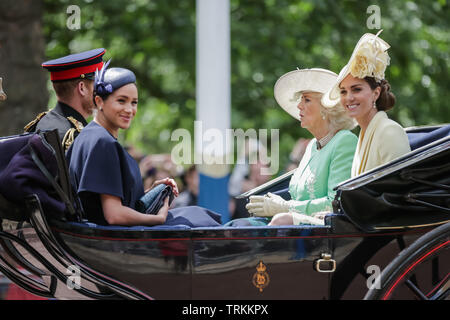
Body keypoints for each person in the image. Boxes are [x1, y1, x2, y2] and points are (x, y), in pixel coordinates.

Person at [66, 62, 221, 227]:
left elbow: (104, 200)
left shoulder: (88, 135)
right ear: (99, 101)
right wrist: (158, 218)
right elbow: (114, 215)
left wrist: (151, 192)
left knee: (199, 214)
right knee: (203, 221)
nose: (129, 109)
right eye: (121, 100)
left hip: (115, 232)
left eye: (134, 102)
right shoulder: (102, 142)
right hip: (119, 237)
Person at [243, 68, 358, 226]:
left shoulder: (345, 141)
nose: (299, 106)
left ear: (327, 108)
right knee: (244, 225)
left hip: (327, 231)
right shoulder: (312, 145)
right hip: (300, 226)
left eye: (307, 100)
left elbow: (335, 204)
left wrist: (284, 207)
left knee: (279, 221)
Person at [321, 31, 411, 177]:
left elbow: (398, 192)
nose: (348, 98)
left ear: (375, 93)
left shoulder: (389, 132)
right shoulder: (364, 134)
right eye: (343, 92)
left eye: (356, 89)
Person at [24, 48, 106, 151]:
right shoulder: (78, 137)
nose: (101, 90)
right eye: (97, 84)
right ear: (82, 88)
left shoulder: (40, 123)